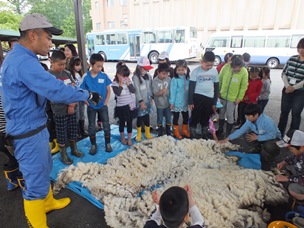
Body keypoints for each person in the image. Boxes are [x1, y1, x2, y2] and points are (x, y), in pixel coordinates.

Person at [1, 13, 101, 227]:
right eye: (48, 37)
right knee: (35, 181)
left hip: (35, 127)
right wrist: (88, 95)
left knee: (44, 167)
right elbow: (55, 90)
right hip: (27, 133)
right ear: (32, 35)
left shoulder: (23, 58)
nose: (51, 43)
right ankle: (38, 222)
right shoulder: (22, 62)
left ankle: (47, 203)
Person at [218, 103, 281, 168]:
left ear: (256, 115)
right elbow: (240, 131)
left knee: (269, 146)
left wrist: (257, 137)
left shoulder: (267, 121)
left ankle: (270, 156)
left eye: (249, 116)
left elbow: (273, 135)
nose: (247, 118)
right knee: (247, 135)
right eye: (246, 116)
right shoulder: (249, 121)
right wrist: (227, 139)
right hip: (260, 136)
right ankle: (258, 148)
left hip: (274, 139)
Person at [49, 50, 84, 165]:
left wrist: (72, 104)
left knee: (73, 129)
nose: (62, 67)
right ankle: (63, 154)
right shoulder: (49, 76)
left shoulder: (67, 73)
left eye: (64, 64)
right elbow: (55, 96)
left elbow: (73, 90)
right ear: (51, 62)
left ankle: (74, 149)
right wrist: (69, 102)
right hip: (59, 110)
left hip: (72, 108)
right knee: (61, 133)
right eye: (59, 64)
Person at [81, 53, 113, 154]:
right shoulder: (85, 76)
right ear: (91, 64)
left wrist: (106, 102)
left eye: (101, 66)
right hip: (91, 106)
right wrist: (87, 103)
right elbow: (81, 91)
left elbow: (108, 90)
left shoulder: (104, 76)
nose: (100, 68)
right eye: (97, 66)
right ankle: (93, 145)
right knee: (91, 125)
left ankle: (108, 144)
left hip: (102, 106)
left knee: (106, 124)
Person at [188, 51, 219, 139]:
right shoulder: (195, 72)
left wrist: (215, 102)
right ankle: (193, 132)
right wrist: (190, 101)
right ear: (202, 62)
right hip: (197, 96)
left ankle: (204, 131)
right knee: (196, 115)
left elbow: (216, 87)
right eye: (207, 65)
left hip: (209, 97)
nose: (209, 67)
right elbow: (191, 87)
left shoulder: (214, 72)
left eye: (211, 65)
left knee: (206, 115)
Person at [217, 55, 248, 137]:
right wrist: (218, 91)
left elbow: (243, 86)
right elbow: (220, 79)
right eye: (232, 67)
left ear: (241, 66)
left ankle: (228, 133)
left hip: (233, 98)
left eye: (236, 68)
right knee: (221, 113)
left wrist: (239, 98)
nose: (234, 69)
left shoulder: (244, 71)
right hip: (222, 95)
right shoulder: (226, 67)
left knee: (230, 115)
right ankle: (220, 129)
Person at [278, 38, 304, 136]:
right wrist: (287, 86)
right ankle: (279, 134)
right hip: (287, 90)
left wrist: (294, 87)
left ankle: (292, 137)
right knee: (284, 113)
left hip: (300, 92)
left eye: (303, 48)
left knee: (296, 115)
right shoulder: (292, 58)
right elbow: (284, 73)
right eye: (299, 47)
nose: (301, 50)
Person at [275, 130, 304, 205]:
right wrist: (283, 162)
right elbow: (294, 157)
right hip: (302, 173)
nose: (290, 151)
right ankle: (294, 178)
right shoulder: (301, 151)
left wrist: (286, 178)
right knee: (289, 164)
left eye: (291, 149)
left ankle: (302, 200)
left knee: (292, 189)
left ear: (300, 147)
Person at [111, 64, 137, 146]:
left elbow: (133, 91)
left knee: (129, 122)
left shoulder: (129, 82)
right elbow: (118, 93)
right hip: (121, 107)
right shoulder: (115, 83)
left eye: (126, 76)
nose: (125, 78)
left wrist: (129, 84)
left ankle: (129, 138)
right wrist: (121, 84)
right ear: (118, 75)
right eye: (123, 76)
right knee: (122, 122)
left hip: (129, 105)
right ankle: (122, 138)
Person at [132, 56, 154, 142]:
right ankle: (139, 133)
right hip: (141, 102)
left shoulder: (148, 76)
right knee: (140, 117)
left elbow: (151, 87)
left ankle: (147, 133)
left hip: (148, 100)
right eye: (144, 68)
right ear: (139, 67)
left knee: (147, 116)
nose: (146, 70)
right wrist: (141, 102)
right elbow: (137, 91)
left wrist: (152, 98)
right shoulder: (135, 77)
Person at [169, 59, 191, 139]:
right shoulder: (175, 79)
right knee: (176, 117)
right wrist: (171, 102)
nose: (181, 71)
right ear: (176, 70)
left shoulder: (188, 78)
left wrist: (190, 101)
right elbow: (172, 91)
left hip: (185, 102)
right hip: (177, 102)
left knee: (186, 117)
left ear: (186, 69)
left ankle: (184, 130)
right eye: (179, 70)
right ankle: (176, 131)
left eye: (182, 69)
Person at [69, 56, 88, 138]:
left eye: (80, 65)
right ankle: (77, 132)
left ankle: (82, 130)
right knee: (76, 114)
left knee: (82, 113)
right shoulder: (70, 75)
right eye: (77, 65)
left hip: (81, 97)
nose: (79, 67)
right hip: (75, 98)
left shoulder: (81, 74)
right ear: (72, 65)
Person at [152, 63, 172, 137]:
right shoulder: (155, 81)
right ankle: (160, 131)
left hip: (167, 103)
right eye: (163, 74)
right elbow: (155, 92)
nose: (165, 76)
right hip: (159, 104)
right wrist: (160, 92)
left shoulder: (169, 79)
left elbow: (171, 90)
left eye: (166, 74)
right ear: (158, 72)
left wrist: (166, 93)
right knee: (160, 118)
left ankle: (168, 131)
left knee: (168, 118)